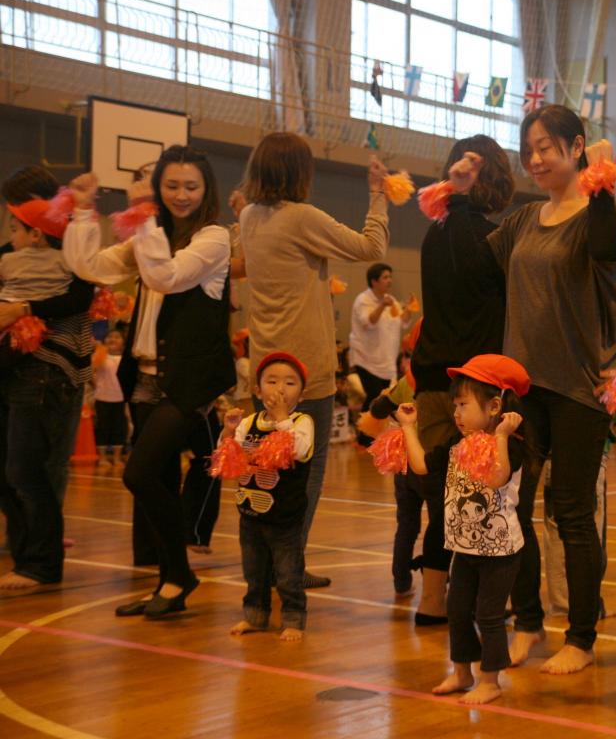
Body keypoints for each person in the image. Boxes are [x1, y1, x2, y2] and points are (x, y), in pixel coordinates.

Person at [487, 104, 616, 673]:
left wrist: (600, 184)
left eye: (548, 146)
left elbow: (606, 250)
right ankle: (526, 622)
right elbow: (474, 266)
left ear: (578, 148)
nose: (536, 158)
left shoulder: (605, 216)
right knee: (513, 507)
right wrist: (461, 196)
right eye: (530, 149)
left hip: (579, 388)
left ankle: (582, 637)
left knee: (569, 513)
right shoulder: (523, 220)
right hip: (524, 387)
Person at [65, 145, 234, 616]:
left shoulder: (214, 237)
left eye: (191, 186)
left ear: (206, 191)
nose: (181, 195)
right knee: (155, 477)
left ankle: (179, 575)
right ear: (159, 186)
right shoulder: (152, 234)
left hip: (188, 379)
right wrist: (82, 212)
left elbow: (168, 277)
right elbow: (90, 268)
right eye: (172, 185)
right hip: (144, 375)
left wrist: (141, 217)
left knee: (138, 473)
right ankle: (170, 582)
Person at [238, 132, 391, 589]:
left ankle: (269, 568)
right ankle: (287, 569)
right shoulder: (301, 217)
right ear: (298, 173)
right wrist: (379, 196)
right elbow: (371, 248)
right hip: (306, 367)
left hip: (265, 366)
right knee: (308, 466)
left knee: (265, 469)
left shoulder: (248, 216)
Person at [380, 137, 512, 621]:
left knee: (443, 495)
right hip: (473, 385)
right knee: (477, 496)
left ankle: (434, 601)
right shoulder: (487, 238)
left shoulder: (437, 232)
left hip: (433, 377)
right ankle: (473, 602)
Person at [395, 354, 529, 705]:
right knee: (456, 610)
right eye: (454, 405)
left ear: (494, 406)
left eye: (463, 404)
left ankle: (491, 679)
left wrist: (500, 434)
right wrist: (408, 427)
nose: (456, 413)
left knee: (488, 614)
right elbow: (422, 465)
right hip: (465, 549)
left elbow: (498, 476)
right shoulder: (456, 446)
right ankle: (461, 672)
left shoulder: (512, 446)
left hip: (500, 553)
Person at [0, 177, 92, 590]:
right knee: (13, 471)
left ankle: (40, 564)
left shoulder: (69, 261)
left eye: (16, 224)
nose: (10, 235)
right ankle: (27, 556)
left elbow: (79, 298)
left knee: (27, 469)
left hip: (45, 372)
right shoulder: (11, 259)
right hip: (15, 370)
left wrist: (24, 307)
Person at [226, 352, 315, 642]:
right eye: (272, 381)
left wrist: (281, 420)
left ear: (301, 394)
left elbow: (298, 451)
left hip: (285, 516)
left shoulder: (301, 422)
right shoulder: (248, 423)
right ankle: (255, 615)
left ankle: (293, 618)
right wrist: (228, 433)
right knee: (254, 571)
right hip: (250, 512)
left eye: (290, 383)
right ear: (257, 390)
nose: (280, 388)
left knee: (288, 573)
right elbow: (229, 459)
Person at [348, 262, 416, 408]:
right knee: (373, 396)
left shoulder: (390, 299)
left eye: (390, 277)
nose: (389, 280)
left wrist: (409, 308)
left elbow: (403, 322)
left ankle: (375, 430)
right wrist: (382, 305)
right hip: (365, 359)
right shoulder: (363, 300)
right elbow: (368, 321)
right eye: (385, 277)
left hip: (386, 360)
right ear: (374, 281)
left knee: (383, 397)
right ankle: (364, 430)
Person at [94, 328, 129, 469]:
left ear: (123, 342)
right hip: (102, 398)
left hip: (120, 398)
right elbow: (91, 370)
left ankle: (116, 458)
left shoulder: (126, 359)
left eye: (117, 337)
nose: (113, 339)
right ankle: (102, 458)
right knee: (102, 428)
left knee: (119, 428)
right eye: (109, 336)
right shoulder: (101, 355)